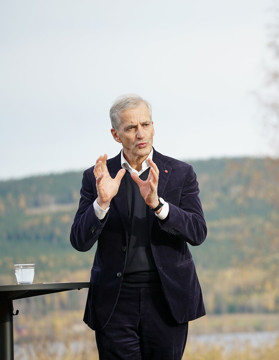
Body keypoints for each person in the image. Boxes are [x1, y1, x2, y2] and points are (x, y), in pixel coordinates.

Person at [70, 94, 207, 360]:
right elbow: (79, 240)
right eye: (131, 127)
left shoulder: (181, 173)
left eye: (146, 124)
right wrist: (102, 202)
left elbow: (198, 232)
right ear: (115, 134)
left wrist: (159, 205)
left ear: (153, 126)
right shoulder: (98, 176)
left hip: (167, 299)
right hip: (115, 300)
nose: (140, 133)